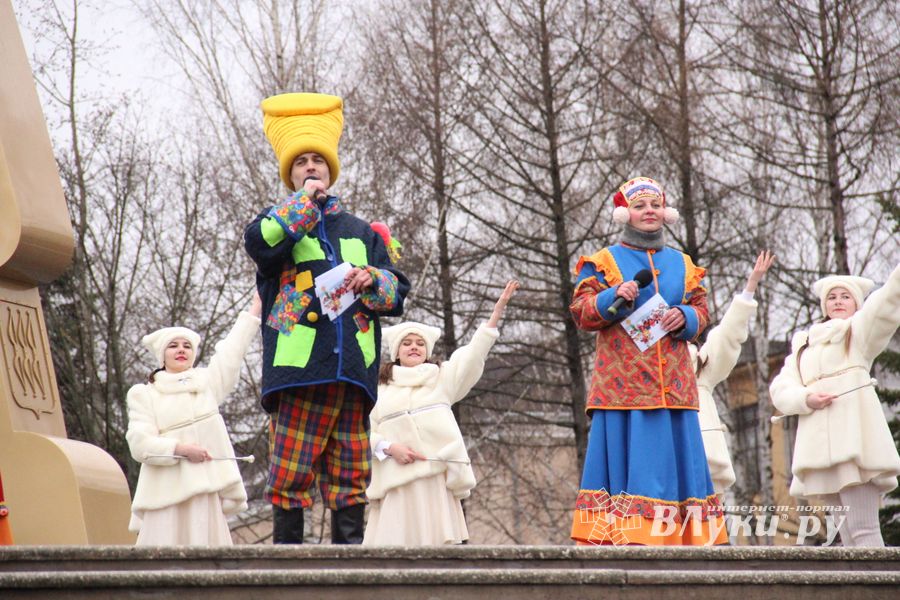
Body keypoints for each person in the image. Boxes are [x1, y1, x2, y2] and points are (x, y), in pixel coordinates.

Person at [244, 92, 410, 544]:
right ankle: (285, 578)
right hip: (298, 371)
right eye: (302, 163)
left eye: (319, 161)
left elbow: (397, 292)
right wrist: (303, 205)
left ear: (331, 169)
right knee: (290, 478)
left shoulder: (360, 231)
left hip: (353, 374)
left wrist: (371, 278)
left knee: (351, 480)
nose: (311, 167)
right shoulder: (275, 223)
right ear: (291, 174)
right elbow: (259, 244)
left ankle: (350, 574)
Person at [569, 176, 726, 546]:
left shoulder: (683, 264)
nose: (649, 211)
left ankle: (683, 540)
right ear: (626, 214)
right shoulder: (603, 261)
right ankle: (632, 539)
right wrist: (612, 295)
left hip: (673, 387)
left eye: (654, 205)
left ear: (665, 212)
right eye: (640, 206)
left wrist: (685, 317)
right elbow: (582, 313)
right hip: (624, 390)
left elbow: (702, 311)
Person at [363, 280, 519, 545]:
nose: (414, 347)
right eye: (407, 343)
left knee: (437, 550)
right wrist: (389, 448)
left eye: (420, 344)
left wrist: (495, 315)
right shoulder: (379, 389)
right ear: (397, 352)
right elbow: (365, 431)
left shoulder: (442, 379)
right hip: (397, 484)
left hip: (435, 484)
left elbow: (472, 355)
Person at [770, 264, 900, 546]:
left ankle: (878, 590)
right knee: (848, 535)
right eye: (832, 297)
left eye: (845, 296)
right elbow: (780, 388)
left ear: (857, 303)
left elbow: (886, 300)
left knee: (864, 529)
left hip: (855, 442)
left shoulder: (859, 333)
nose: (838, 301)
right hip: (820, 449)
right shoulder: (804, 343)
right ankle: (857, 590)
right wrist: (805, 399)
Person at [125, 294, 262, 546]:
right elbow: (139, 444)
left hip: (204, 494)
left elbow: (231, 352)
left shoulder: (207, 384)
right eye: (173, 345)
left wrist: (255, 308)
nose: (181, 350)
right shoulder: (144, 394)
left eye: (187, 345)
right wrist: (181, 450)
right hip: (163, 495)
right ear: (161, 355)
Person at [693, 250, 775, 494]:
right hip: (663, 457)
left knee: (706, 528)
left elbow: (728, 333)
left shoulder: (700, 364)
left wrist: (751, 285)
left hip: (704, 456)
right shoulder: (646, 366)